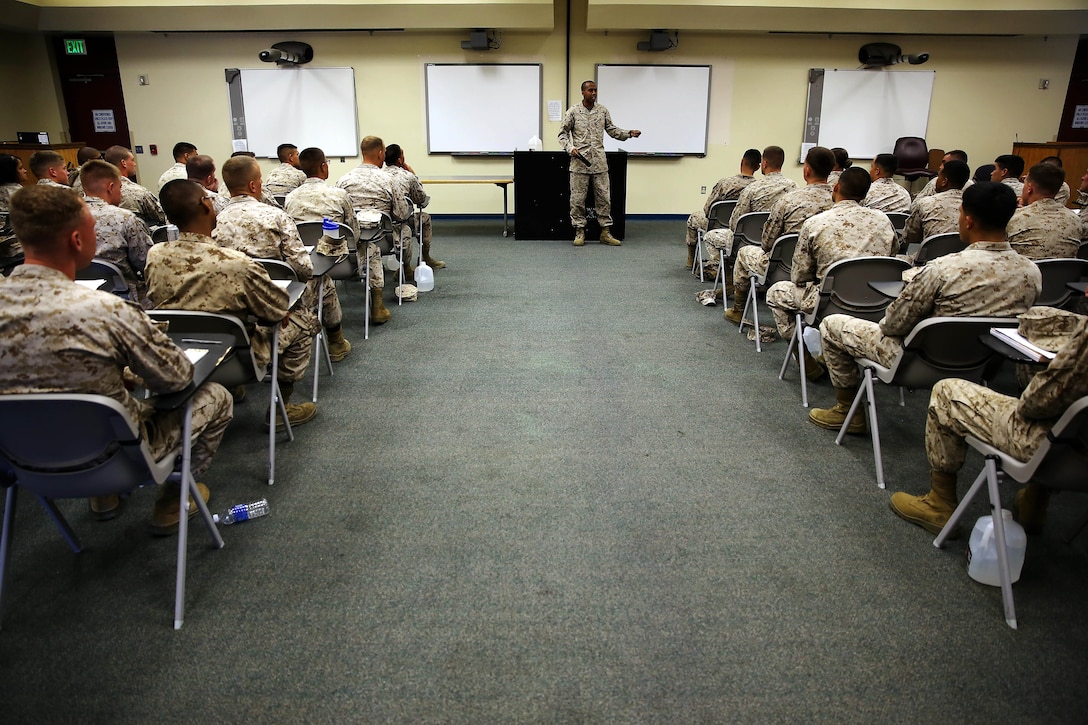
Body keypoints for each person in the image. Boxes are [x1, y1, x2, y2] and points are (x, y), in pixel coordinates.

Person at [0, 184, 232, 533]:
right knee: (217, 397)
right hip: (113, 456)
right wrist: (128, 372)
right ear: (78, 241)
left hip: (22, 464)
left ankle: (103, 498)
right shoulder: (106, 310)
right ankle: (173, 494)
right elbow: (175, 378)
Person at [809, 182, 1041, 434]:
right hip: (982, 364)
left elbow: (893, 324)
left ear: (969, 220)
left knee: (832, 325)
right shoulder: (1031, 271)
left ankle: (847, 411)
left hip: (918, 362)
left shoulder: (943, 269)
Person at [890, 291, 1088, 536]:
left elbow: (1036, 404)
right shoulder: (1031, 274)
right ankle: (1034, 501)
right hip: (1078, 440)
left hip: (1058, 447)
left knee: (946, 391)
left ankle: (939, 503)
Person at [149, 180, 313, 414]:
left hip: (176, 352)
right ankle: (281, 409)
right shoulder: (236, 263)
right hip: (235, 360)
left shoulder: (155, 255)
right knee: (302, 322)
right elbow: (276, 307)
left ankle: (229, 390)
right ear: (206, 205)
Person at [213, 155, 318, 428]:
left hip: (229, 315)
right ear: (253, 185)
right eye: (259, 179)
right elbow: (304, 269)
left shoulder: (215, 218)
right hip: (272, 311)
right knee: (305, 325)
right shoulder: (275, 216)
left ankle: (233, 384)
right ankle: (282, 406)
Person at [764, 167, 898, 371]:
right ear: (865, 194)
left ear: (836, 187)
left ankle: (805, 360)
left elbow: (799, 276)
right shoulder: (883, 221)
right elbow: (892, 258)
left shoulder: (816, 224)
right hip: (877, 303)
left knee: (776, 293)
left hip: (829, 304)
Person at [724, 146, 835, 325]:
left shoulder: (789, 199)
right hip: (825, 274)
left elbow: (767, 242)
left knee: (744, 253)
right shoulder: (837, 201)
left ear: (806, 170)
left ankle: (738, 309)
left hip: (786, 267)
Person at [273, 146, 360, 359]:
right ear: (323, 167)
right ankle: (336, 343)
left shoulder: (291, 197)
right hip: (338, 263)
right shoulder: (339, 195)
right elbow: (354, 234)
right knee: (326, 282)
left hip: (303, 263)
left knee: (320, 279)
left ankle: (335, 341)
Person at [557, 80, 641, 246]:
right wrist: (570, 148)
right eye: (590, 90)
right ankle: (579, 231)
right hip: (579, 164)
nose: (593, 93)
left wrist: (628, 133)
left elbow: (612, 130)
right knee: (577, 200)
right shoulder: (573, 112)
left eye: (595, 90)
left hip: (600, 164)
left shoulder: (602, 111)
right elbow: (562, 134)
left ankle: (605, 232)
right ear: (583, 92)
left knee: (604, 198)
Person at [336, 135, 410, 312]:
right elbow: (401, 214)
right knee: (405, 228)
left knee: (364, 243)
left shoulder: (343, 180)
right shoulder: (389, 180)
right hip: (383, 240)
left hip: (353, 242)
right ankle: (404, 270)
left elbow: (339, 215)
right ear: (380, 153)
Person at [79, 159, 155, 304]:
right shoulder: (125, 218)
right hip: (123, 299)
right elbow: (146, 263)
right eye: (120, 188)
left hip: (79, 297)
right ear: (110, 187)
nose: (121, 194)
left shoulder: (63, 216)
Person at [684, 147, 760, 268]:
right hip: (744, 230)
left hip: (717, 226)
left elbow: (707, 209)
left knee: (694, 217)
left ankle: (691, 259)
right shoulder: (758, 187)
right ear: (758, 167)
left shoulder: (725, 183)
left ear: (741, 161)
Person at [1006, 163, 1085, 260]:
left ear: (1029, 188)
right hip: (1065, 274)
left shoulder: (1013, 218)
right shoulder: (1076, 220)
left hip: (1026, 273)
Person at [384, 143, 444, 270]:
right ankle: (425, 258)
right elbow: (421, 198)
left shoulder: (378, 176)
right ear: (400, 159)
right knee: (425, 218)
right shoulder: (407, 176)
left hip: (380, 228)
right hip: (401, 225)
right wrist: (412, 173)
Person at [900, 159, 970, 251]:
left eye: (938, 175)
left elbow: (909, 236)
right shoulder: (972, 207)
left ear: (944, 181)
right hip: (963, 259)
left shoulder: (925, 203)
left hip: (930, 260)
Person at [727, 145, 796, 230]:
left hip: (751, 239)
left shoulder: (752, 188)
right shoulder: (794, 188)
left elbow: (735, 223)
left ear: (764, 164)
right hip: (781, 241)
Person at [103, 145, 167, 228]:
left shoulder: (98, 190)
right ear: (123, 163)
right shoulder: (139, 192)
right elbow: (162, 216)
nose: (135, 164)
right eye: (132, 160)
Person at [0, 154, 29, 258]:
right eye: (20, 168)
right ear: (10, 171)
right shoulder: (22, 194)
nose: (25, 170)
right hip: (22, 247)